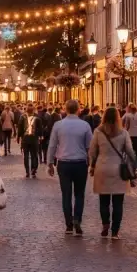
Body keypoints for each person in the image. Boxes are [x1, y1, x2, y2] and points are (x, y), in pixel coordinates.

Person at [88, 106, 137, 240]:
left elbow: (92, 151)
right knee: (118, 202)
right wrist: (134, 166)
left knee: (103, 200)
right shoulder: (123, 133)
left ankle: (105, 224)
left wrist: (92, 164)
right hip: (118, 169)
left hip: (102, 167)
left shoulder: (98, 131)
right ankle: (115, 231)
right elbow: (130, 152)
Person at [47, 99, 93, 236]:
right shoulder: (85, 125)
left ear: (65, 109)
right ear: (78, 109)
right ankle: (77, 219)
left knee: (66, 194)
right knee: (79, 194)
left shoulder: (58, 125)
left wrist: (50, 163)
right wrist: (91, 163)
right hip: (80, 163)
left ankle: (68, 224)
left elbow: (52, 145)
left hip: (64, 163)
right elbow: (89, 147)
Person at [17, 104, 44, 178]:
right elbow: (40, 128)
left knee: (26, 156)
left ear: (26, 110)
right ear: (33, 110)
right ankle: (33, 170)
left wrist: (18, 137)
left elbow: (20, 128)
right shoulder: (37, 118)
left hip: (25, 139)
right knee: (34, 155)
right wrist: (41, 136)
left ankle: (27, 171)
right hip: (34, 139)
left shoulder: (22, 117)